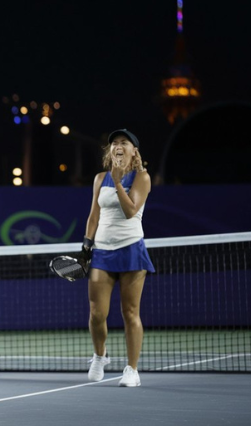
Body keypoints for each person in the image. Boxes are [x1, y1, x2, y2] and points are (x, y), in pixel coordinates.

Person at [82, 128, 155, 388]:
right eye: (114, 143)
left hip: (131, 248)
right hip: (102, 251)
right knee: (96, 313)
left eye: (124, 142)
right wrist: (86, 245)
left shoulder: (142, 177)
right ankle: (100, 356)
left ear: (134, 151)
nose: (118, 146)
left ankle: (132, 370)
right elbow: (94, 215)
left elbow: (130, 211)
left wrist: (118, 181)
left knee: (130, 312)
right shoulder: (100, 178)